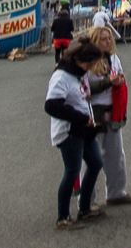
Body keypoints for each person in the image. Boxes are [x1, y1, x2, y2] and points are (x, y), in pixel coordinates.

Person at [44, 41, 105, 230]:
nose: (91, 68)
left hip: (83, 127)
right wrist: (78, 116)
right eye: (90, 63)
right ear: (81, 59)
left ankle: (84, 208)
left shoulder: (79, 74)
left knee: (95, 163)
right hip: (69, 130)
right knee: (72, 170)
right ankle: (62, 216)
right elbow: (51, 106)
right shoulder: (62, 76)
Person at [85, 26, 131, 205]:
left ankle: (115, 192)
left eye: (108, 38)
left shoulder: (113, 59)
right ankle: (87, 200)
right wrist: (108, 82)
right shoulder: (88, 62)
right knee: (91, 159)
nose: (107, 42)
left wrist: (119, 80)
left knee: (115, 155)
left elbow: (119, 77)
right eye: (103, 39)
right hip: (94, 112)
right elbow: (86, 90)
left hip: (113, 111)